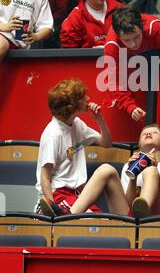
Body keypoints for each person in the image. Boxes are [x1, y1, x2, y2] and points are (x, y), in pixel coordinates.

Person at [37, 78, 130, 217]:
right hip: (58, 194)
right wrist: (51, 207)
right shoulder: (53, 133)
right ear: (71, 105)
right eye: (82, 97)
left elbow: (106, 143)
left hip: (77, 194)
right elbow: (44, 175)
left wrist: (99, 119)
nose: (88, 98)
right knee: (89, 225)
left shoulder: (76, 124)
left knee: (102, 224)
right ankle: (60, 220)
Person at [104, 6, 160, 121]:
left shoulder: (154, 27)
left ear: (142, 27)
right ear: (118, 36)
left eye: (136, 37)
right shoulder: (112, 45)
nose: (133, 44)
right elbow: (115, 83)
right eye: (127, 40)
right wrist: (130, 107)